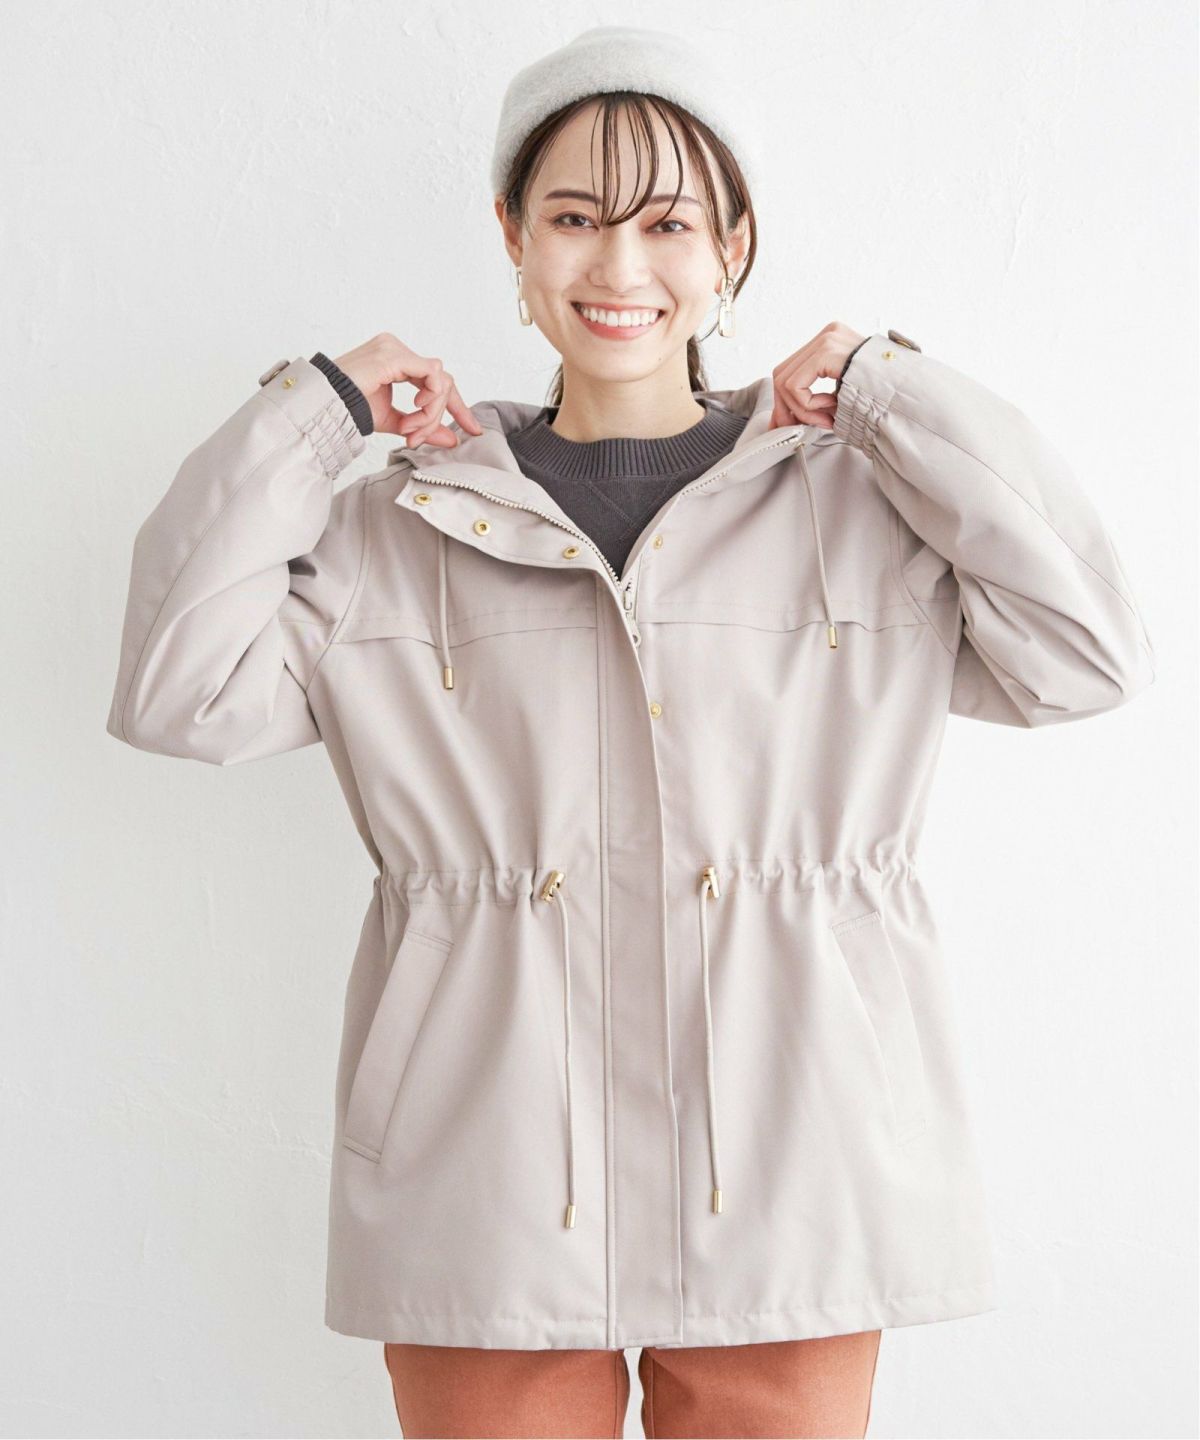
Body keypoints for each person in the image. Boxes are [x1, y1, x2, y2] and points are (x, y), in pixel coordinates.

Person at [105, 24, 1156, 1440]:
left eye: (667, 223)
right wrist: (321, 416)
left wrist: (888, 388)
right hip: (487, 1168)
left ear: (733, 249)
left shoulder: (856, 506)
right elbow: (174, 692)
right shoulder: (397, 524)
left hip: (797, 1155)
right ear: (513, 236)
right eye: (574, 218)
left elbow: (1089, 651)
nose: (618, 265)